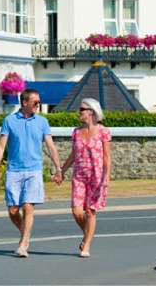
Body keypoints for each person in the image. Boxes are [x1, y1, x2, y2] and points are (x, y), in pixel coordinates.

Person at [0, 89, 62, 258]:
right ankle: (26, 232)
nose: (38, 105)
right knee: (13, 211)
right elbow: (1, 146)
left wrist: (58, 168)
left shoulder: (42, 122)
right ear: (24, 103)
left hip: (34, 170)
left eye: (39, 102)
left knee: (27, 206)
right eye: (35, 102)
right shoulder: (9, 120)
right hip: (14, 171)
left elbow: (50, 146)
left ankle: (23, 244)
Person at [53, 98, 111, 258]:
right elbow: (73, 155)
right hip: (79, 176)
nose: (79, 112)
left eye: (82, 109)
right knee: (77, 211)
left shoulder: (103, 131)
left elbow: (107, 157)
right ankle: (87, 234)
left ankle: (86, 245)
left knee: (90, 212)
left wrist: (106, 177)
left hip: (96, 177)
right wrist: (61, 171)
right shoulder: (76, 132)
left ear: (91, 111)